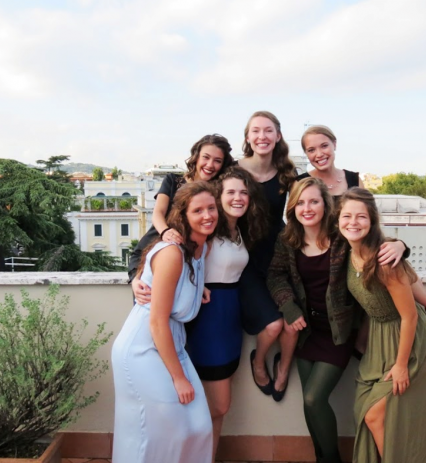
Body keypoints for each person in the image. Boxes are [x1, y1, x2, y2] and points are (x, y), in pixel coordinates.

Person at [268, 178, 407, 463]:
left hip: (338, 332)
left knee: (313, 399)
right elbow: (275, 275)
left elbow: (373, 241)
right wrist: (288, 306)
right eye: (301, 202)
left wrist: (402, 245)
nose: (307, 208)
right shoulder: (288, 239)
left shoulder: (341, 235)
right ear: (293, 207)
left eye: (314, 201)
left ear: (326, 204)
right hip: (306, 331)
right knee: (308, 404)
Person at [299, 124, 426, 331]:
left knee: (389, 258)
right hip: (326, 253)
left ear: (334, 144)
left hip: (357, 247)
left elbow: (371, 219)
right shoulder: (303, 182)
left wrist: (398, 244)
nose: (319, 154)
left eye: (324, 146)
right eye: (311, 150)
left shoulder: (353, 179)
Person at [111, 181, 219, 463]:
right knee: (161, 431)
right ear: (182, 216)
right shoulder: (171, 253)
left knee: (199, 426)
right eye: (198, 210)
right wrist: (179, 378)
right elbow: (157, 322)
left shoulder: (201, 248)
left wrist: (197, 290)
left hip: (172, 343)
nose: (207, 215)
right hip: (144, 346)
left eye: (211, 208)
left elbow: (181, 287)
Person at [338, 187, 426, 463]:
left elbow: (410, 316)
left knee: (376, 412)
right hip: (377, 340)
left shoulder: (385, 262)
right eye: (346, 216)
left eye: (361, 217)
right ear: (338, 220)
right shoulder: (347, 254)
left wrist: (401, 364)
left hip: (407, 339)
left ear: (372, 221)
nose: (353, 222)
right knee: (367, 412)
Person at [185, 166, 268, 462]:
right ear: (218, 195)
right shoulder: (206, 230)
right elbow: (166, 251)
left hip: (230, 319)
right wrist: (138, 277)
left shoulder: (239, 230)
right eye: (231, 192)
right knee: (217, 406)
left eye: (244, 192)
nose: (238, 198)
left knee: (217, 407)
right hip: (208, 321)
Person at [236, 110, 299, 401]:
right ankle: (258, 360)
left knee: (292, 321)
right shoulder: (234, 171)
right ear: (248, 137)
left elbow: (304, 212)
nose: (262, 136)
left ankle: (283, 368)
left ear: (278, 135)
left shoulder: (288, 172)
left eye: (268, 130)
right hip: (244, 261)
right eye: (256, 131)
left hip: (279, 260)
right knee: (273, 325)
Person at [128, 133, 234, 283]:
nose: (210, 165)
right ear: (196, 157)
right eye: (206, 157)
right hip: (151, 251)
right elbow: (158, 213)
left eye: (217, 161)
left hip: (187, 263)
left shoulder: (217, 192)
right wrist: (165, 231)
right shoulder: (173, 181)